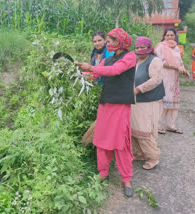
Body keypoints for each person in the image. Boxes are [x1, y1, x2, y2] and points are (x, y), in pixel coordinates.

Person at [75, 28, 136, 197]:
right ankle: (103, 173)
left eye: (109, 41)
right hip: (105, 104)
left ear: (119, 42)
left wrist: (92, 68)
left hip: (120, 106)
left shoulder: (129, 57)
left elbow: (115, 71)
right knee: (101, 139)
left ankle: (126, 178)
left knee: (121, 142)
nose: (107, 44)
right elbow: (93, 75)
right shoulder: (108, 60)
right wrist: (79, 72)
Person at [132, 36, 165, 170]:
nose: (139, 50)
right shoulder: (135, 61)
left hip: (148, 100)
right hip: (135, 100)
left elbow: (156, 79)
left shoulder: (154, 60)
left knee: (145, 130)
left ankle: (153, 156)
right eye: (137, 47)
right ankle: (141, 153)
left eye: (142, 47)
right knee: (134, 128)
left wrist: (139, 89)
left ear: (149, 48)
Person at [154, 27, 190, 134]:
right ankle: (157, 125)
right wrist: (177, 68)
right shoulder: (160, 47)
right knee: (164, 100)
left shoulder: (177, 48)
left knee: (174, 101)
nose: (170, 37)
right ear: (164, 36)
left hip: (174, 78)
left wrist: (184, 70)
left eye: (172, 35)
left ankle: (170, 125)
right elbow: (161, 62)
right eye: (167, 35)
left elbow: (179, 62)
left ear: (175, 36)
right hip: (164, 76)